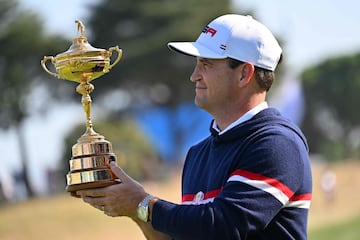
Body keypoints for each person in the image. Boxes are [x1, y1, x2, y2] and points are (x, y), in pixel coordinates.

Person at [76, 14, 312, 240]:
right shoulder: (198, 153)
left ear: (244, 74)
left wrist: (142, 202)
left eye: (206, 64)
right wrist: (135, 211)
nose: (194, 76)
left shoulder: (276, 143)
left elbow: (222, 226)